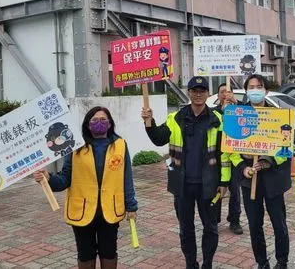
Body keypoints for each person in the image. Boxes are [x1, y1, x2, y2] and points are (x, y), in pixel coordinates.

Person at [141, 76, 231, 269]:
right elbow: (159, 139)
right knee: (185, 228)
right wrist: (149, 122)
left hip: (210, 184)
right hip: (181, 184)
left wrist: (224, 183)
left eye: (202, 91)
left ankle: (207, 263)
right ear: (189, 93)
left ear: (208, 94)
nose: (198, 94)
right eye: (194, 91)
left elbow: (225, 154)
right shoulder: (176, 118)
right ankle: (191, 263)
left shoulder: (219, 120)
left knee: (211, 228)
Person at [33, 106, 138, 269]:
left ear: (110, 123)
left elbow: (127, 178)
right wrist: (48, 178)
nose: (99, 123)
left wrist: (131, 205)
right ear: (87, 125)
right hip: (82, 209)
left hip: (109, 209)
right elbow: (64, 179)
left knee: (109, 252)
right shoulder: (75, 147)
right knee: (85, 253)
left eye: (103, 120)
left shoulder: (120, 145)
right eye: (94, 120)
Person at [229, 74, 291, 269]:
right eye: (251, 87)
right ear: (247, 91)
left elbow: (286, 150)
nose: (255, 90)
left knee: (278, 224)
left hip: (273, 180)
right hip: (250, 181)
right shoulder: (238, 115)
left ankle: (282, 261)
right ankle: (262, 262)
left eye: (259, 86)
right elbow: (231, 150)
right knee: (255, 225)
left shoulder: (279, 115)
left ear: (265, 90)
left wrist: (267, 162)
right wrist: (243, 168)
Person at [212, 83, 243, 235]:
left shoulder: (240, 111)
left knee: (235, 191)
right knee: (217, 190)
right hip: (217, 160)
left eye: (228, 92)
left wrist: (235, 107)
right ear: (218, 96)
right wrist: (224, 115)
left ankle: (235, 220)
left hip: (235, 159)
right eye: (222, 92)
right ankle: (214, 220)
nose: (225, 94)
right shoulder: (213, 114)